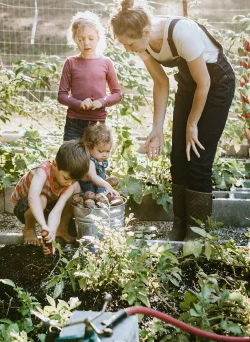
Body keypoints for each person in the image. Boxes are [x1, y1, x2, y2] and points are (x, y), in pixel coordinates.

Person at [110, 0, 235, 240]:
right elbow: (161, 82)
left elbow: (205, 83)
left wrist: (192, 123)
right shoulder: (143, 44)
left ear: (145, 32)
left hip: (216, 84)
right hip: (190, 85)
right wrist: (157, 128)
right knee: (178, 157)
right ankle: (180, 226)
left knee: (197, 156)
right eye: (124, 44)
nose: (128, 49)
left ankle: (198, 233)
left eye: (130, 43)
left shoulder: (181, 32)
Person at [11, 140, 90, 250]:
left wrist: (50, 233)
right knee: (42, 199)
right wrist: (43, 225)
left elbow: (56, 211)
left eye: (74, 179)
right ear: (54, 165)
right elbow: (33, 197)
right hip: (24, 207)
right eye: (66, 178)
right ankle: (29, 228)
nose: (69, 183)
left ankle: (60, 229)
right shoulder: (42, 172)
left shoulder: (69, 183)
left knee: (75, 188)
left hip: (48, 205)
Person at [58, 11, 122, 141]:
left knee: (95, 161)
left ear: (98, 37)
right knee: (71, 160)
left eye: (90, 38)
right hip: (74, 123)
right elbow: (61, 95)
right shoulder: (70, 62)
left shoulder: (106, 63)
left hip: (98, 124)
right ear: (74, 39)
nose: (86, 43)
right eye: (81, 39)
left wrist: (101, 102)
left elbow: (117, 94)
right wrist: (79, 103)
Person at [79, 122, 120, 197]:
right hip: (88, 192)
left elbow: (101, 178)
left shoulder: (101, 160)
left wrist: (107, 187)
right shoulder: (90, 161)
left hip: (98, 190)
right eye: (100, 151)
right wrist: (106, 185)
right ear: (88, 147)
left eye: (107, 151)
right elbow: (93, 176)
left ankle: (102, 194)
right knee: (89, 200)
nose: (104, 154)